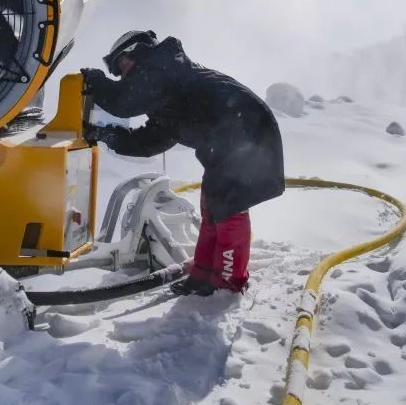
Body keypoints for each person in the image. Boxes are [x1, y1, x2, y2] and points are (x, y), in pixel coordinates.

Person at [81, 30, 284, 296]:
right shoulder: (167, 92)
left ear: (139, 51)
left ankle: (228, 281)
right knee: (213, 204)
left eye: (122, 64)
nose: (122, 74)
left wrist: (95, 81)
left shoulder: (162, 65)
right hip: (230, 141)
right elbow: (148, 142)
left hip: (248, 136)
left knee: (229, 206)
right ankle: (204, 273)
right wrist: (104, 134)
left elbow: (124, 101)